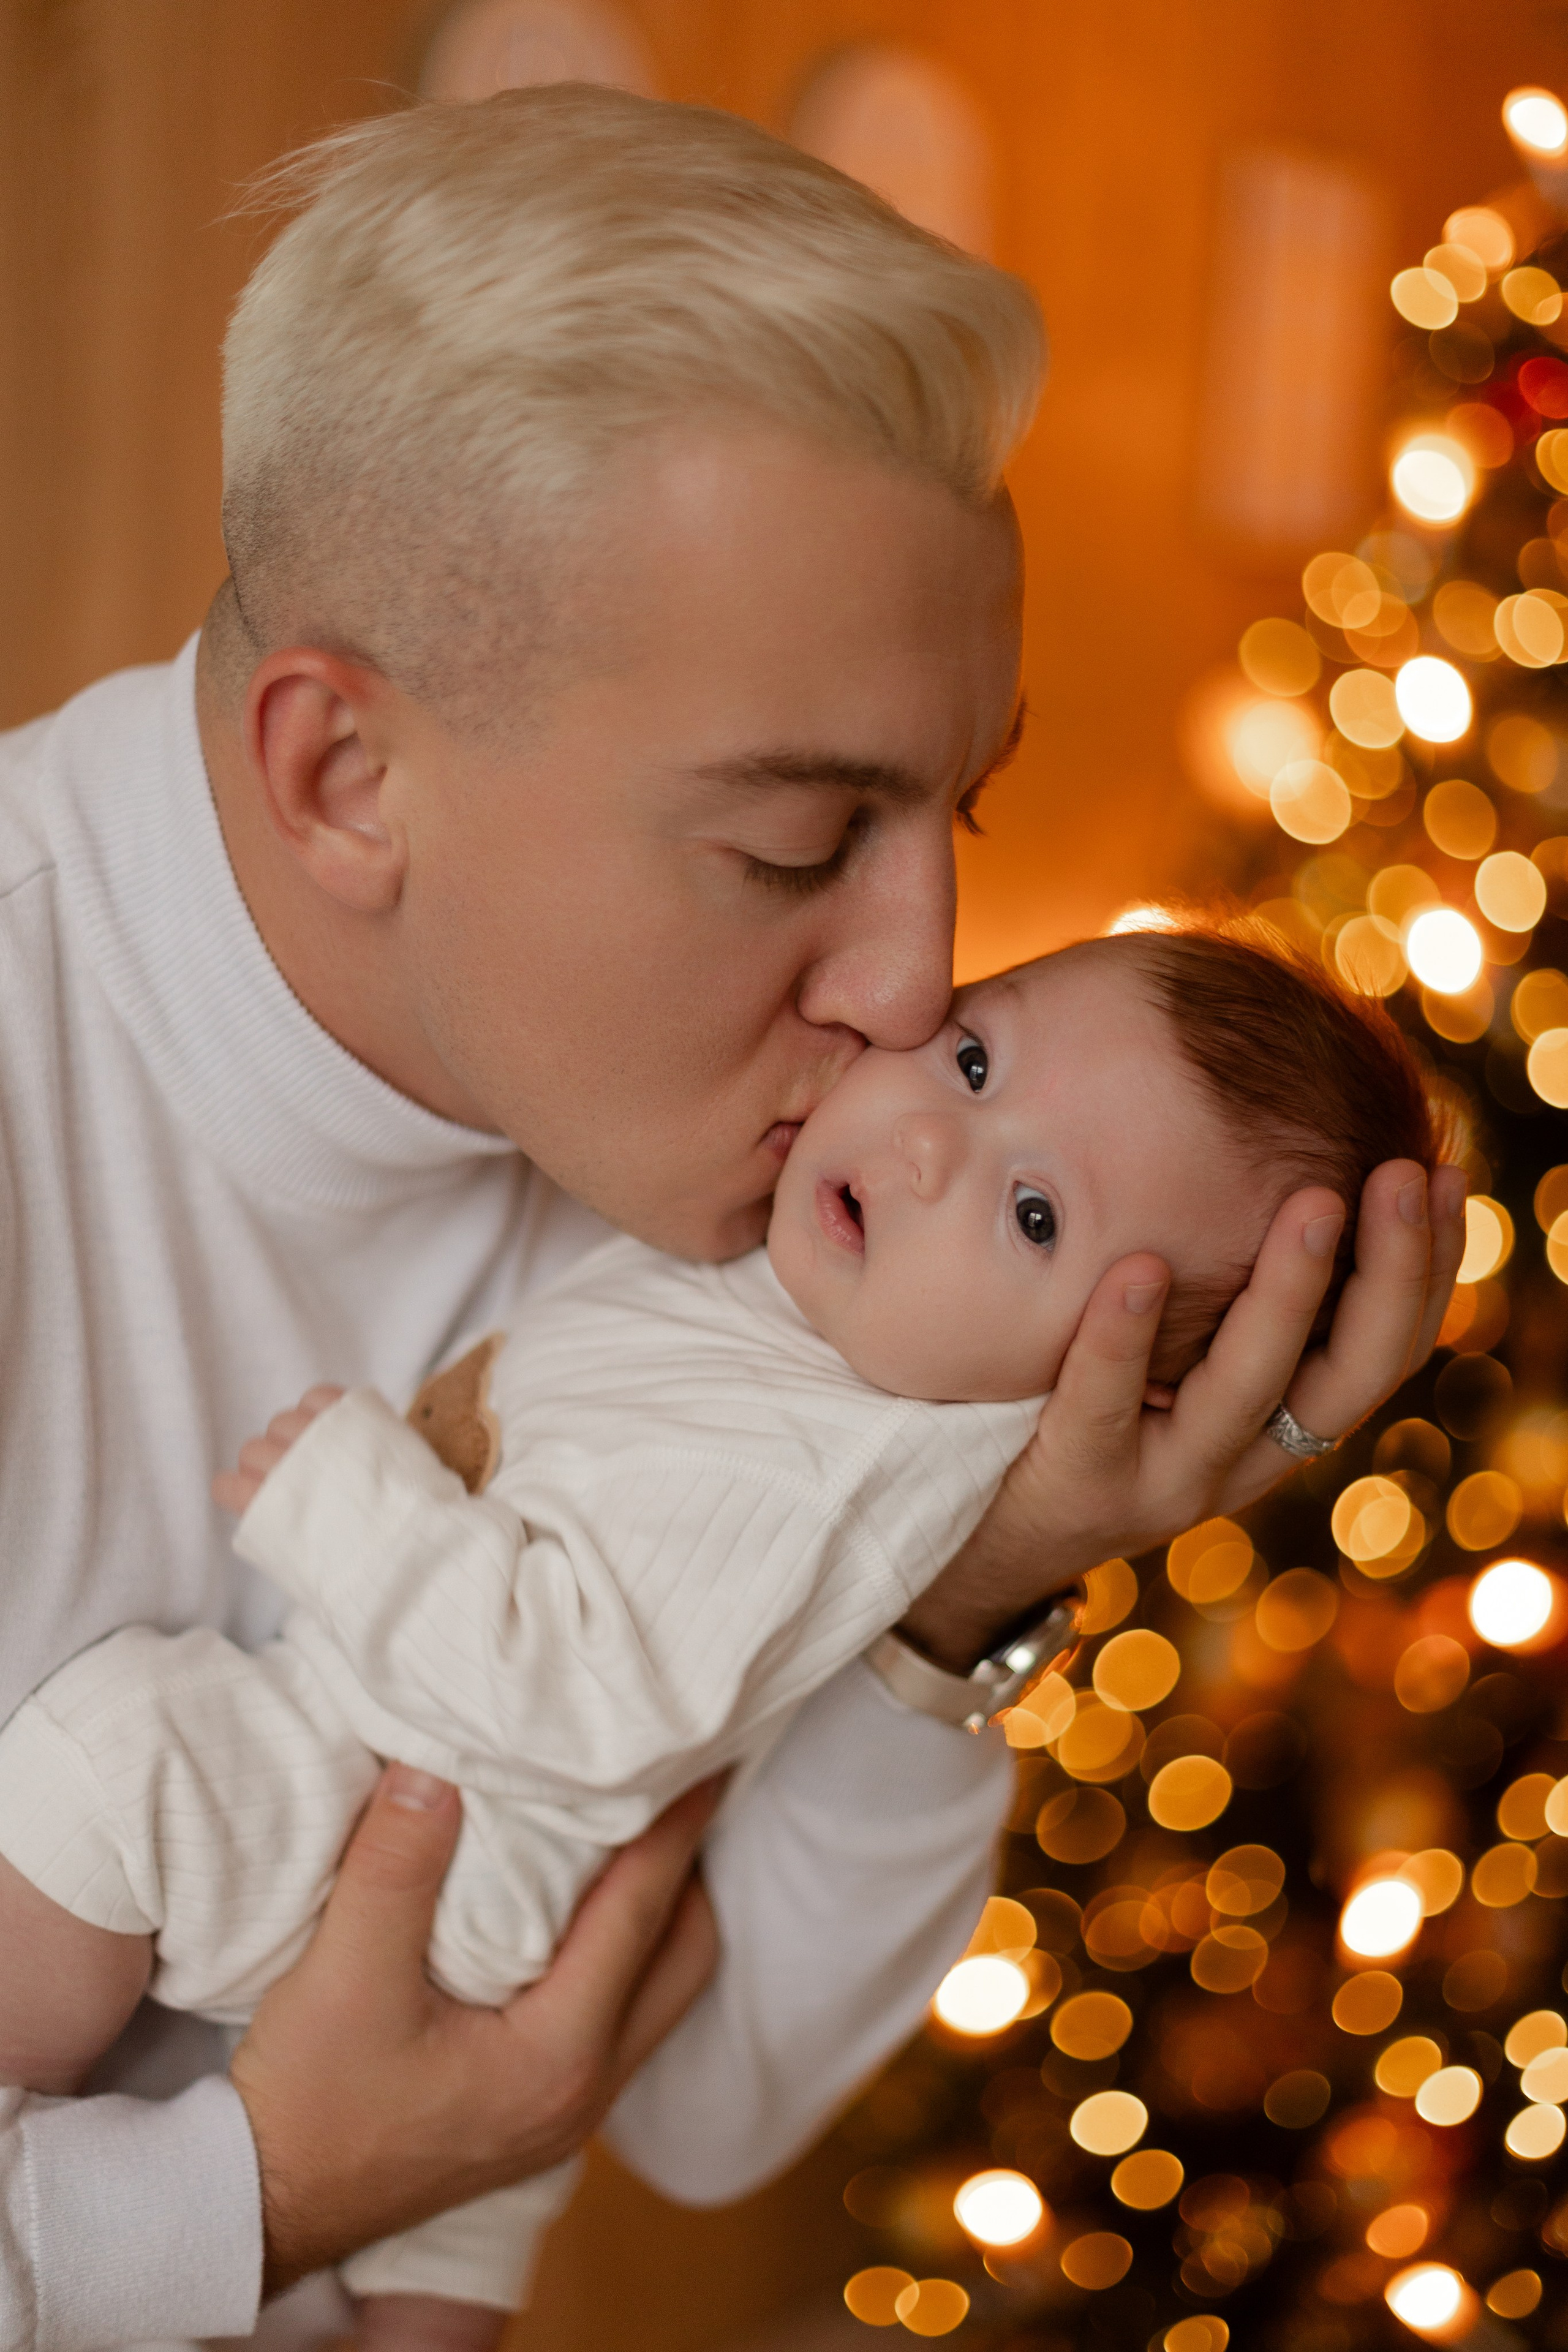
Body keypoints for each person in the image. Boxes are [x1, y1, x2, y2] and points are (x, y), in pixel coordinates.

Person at [0, 81, 1464, 2352]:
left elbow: (694, 2108)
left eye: (953, 818)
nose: (913, 981)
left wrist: (968, 1573)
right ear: (345, 774)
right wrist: (260, 2191)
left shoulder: (785, 1192)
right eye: (796, 847)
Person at [0, 919, 1456, 2343]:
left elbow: (576, 1695)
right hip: (489, 1896)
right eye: (967, 1059)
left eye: (1034, 1216)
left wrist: (346, 1505)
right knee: (456, 2221)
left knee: (112, 1764)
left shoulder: (814, 1462)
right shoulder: (816, 1302)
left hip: (423, 1809)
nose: (924, 1147)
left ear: (1110, 1388)